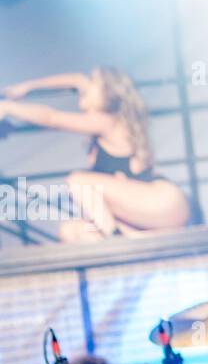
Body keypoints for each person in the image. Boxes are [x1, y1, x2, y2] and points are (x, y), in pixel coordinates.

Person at [0, 68, 191, 240]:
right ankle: (131, 237)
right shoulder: (102, 124)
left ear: (108, 93)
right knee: (70, 231)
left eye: (93, 82)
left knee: (79, 181)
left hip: (162, 201)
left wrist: (8, 107)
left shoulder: (108, 120)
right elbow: (75, 79)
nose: (85, 85)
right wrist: (28, 87)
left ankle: (116, 239)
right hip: (143, 213)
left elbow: (52, 118)